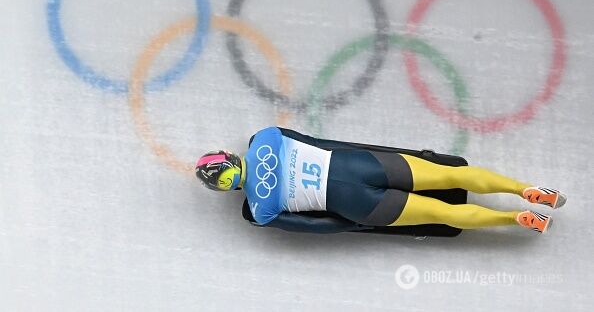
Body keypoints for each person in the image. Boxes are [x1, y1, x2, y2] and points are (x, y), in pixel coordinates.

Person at [195, 127, 566, 234]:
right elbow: (319, 142)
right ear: (226, 156)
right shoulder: (265, 138)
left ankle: (514, 220)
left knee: (441, 213)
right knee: (450, 174)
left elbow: (316, 227)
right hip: (360, 166)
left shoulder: (260, 211)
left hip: (358, 206)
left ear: (224, 186)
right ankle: (526, 190)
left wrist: (351, 224)